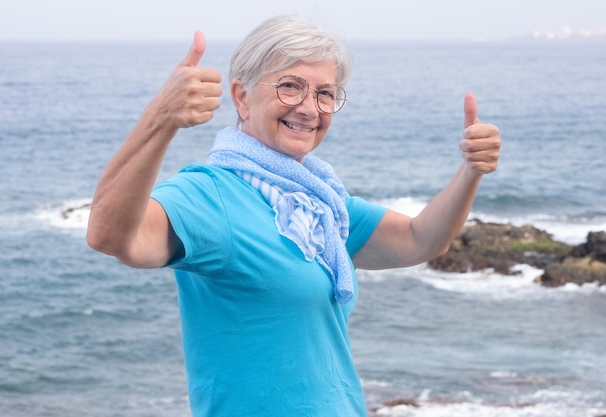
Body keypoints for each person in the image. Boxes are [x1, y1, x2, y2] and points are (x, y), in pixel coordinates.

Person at [86, 15, 501, 417]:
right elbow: (111, 235)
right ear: (242, 97)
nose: (309, 108)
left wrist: (470, 171)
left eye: (324, 94)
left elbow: (419, 239)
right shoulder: (210, 197)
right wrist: (160, 120)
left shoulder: (319, 205)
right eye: (290, 87)